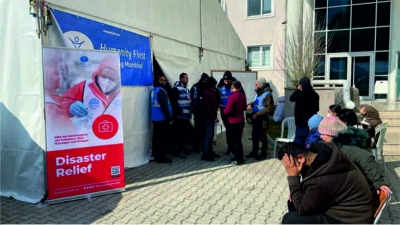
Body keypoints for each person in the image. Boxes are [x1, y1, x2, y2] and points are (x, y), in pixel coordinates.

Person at [278, 142, 375, 224]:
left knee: (290, 219)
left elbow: (302, 209)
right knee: (292, 202)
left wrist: (293, 177)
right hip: (350, 210)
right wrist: (298, 191)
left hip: (352, 219)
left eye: (290, 165)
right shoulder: (328, 156)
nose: (289, 169)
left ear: (301, 158)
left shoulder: (321, 180)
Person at [318, 116, 392, 195]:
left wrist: (379, 182)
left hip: (352, 193)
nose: (321, 137)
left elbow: (365, 157)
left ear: (333, 135)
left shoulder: (345, 148)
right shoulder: (335, 147)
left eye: (323, 134)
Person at [61, 54, 121, 131]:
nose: (106, 81)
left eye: (112, 79)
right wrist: (70, 107)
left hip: (113, 136)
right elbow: (61, 103)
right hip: (87, 138)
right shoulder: (83, 87)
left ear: (119, 79)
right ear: (98, 73)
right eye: (104, 76)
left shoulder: (122, 93)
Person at [246, 77, 274, 160]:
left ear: (261, 85)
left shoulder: (268, 95)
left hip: (263, 119)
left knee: (263, 137)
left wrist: (258, 113)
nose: (255, 85)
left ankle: (263, 154)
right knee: (255, 136)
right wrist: (250, 104)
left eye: (256, 84)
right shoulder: (259, 93)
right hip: (256, 118)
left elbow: (269, 108)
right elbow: (256, 102)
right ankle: (254, 152)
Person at [289, 76, 319, 146]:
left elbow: (291, 98)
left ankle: (297, 155)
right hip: (312, 123)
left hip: (301, 122)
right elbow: (317, 108)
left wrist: (297, 90)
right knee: (309, 142)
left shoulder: (301, 94)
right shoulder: (315, 94)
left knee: (299, 142)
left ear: (301, 85)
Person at [150, 76, 173, 163]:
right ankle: (161, 157)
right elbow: (164, 105)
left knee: (156, 138)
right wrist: (169, 117)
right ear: (159, 80)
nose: (165, 82)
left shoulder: (153, 90)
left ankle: (156, 155)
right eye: (163, 81)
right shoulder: (161, 91)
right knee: (162, 139)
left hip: (155, 117)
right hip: (162, 117)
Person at [223, 81, 247, 165]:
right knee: (238, 140)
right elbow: (244, 107)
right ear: (240, 87)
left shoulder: (232, 97)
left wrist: (224, 111)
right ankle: (239, 157)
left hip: (233, 121)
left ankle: (238, 159)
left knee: (234, 141)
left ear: (232, 87)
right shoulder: (242, 96)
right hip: (241, 120)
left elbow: (228, 110)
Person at [170, 72, 192, 158]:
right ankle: (180, 150)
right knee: (180, 134)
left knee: (185, 134)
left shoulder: (186, 89)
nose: (187, 79)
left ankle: (183, 148)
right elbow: (173, 101)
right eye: (186, 78)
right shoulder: (177, 89)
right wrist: (178, 110)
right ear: (181, 79)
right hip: (180, 116)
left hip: (186, 116)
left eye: (187, 78)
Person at [217, 71, 235, 155]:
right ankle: (229, 147)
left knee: (233, 130)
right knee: (228, 130)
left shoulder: (235, 85)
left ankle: (234, 148)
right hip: (224, 111)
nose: (226, 82)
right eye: (225, 81)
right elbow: (217, 98)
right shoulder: (220, 86)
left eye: (228, 81)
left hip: (232, 111)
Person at [190, 73, 209, 153]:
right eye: (204, 80)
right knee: (198, 129)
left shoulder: (206, 87)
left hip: (204, 112)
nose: (205, 81)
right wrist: (194, 109)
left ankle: (202, 144)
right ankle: (196, 146)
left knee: (203, 130)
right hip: (198, 111)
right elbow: (192, 99)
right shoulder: (196, 87)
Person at [201, 76, 219, 161]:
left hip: (211, 117)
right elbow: (207, 107)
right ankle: (205, 154)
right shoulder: (207, 93)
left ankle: (210, 151)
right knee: (208, 136)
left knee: (211, 135)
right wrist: (213, 117)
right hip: (208, 118)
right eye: (215, 84)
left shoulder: (211, 92)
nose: (216, 85)